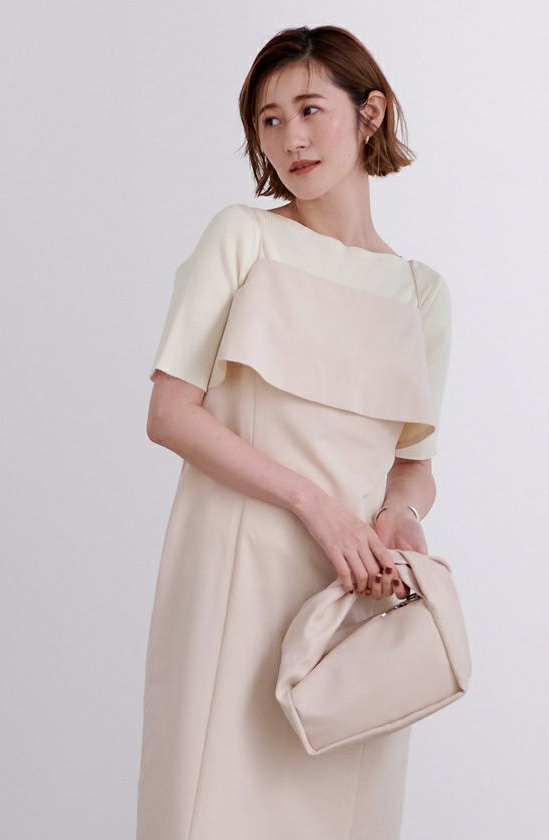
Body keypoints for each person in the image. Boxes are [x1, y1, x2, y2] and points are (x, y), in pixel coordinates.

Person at [136, 24, 452, 840]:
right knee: (212, 807)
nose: (290, 139)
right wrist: (316, 506)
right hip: (235, 571)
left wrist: (397, 520)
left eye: (310, 110)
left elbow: (413, 466)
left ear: (369, 113)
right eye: (269, 121)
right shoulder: (244, 237)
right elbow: (170, 413)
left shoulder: (420, 293)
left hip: (349, 595)